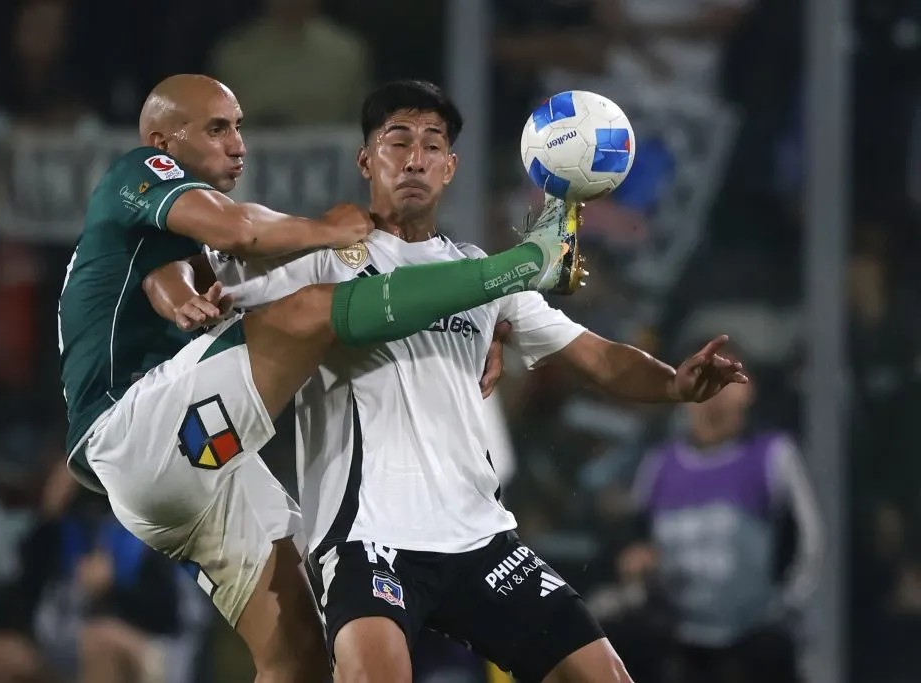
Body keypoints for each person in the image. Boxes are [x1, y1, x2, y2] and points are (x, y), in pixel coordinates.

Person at [146, 79, 747, 683]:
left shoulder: (477, 274)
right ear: (365, 161)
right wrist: (181, 291)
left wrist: (673, 384)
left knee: (604, 677)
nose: (415, 158)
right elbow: (198, 258)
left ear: (450, 167)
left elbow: (597, 357)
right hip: (368, 538)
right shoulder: (316, 262)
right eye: (397, 141)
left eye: (433, 145)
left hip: (481, 537)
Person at [57, 74, 585, 682]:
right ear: (162, 139)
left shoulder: (165, 238)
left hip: (194, 472)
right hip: (135, 431)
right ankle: (523, 264)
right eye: (217, 128)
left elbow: (168, 276)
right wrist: (332, 230)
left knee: (300, 659)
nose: (238, 145)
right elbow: (239, 230)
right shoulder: (138, 169)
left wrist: (478, 321)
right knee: (312, 308)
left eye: (239, 127)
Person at [622, 346, 822, 683]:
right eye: (703, 379)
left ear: (749, 390)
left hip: (754, 637)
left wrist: (781, 607)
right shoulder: (658, 466)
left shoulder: (773, 457)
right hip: (676, 641)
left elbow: (809, 543)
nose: (715, 396)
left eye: (726, 381)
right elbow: (635, 545)